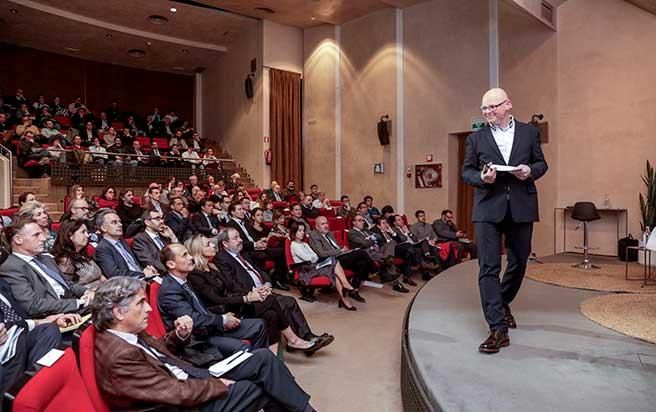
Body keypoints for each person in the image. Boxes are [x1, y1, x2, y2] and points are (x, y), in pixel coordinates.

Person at [91, 276, 317, 412]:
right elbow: (173, 392)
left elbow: (156, 354)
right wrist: (218, 384)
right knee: (260, 387)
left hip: (191, 375)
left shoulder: (125, 333)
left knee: (264, 359)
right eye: (141, 303)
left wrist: (178, 336)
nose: (149, 308)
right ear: (118, 312)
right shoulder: (118, 355)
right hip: (183, 403)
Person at [462, 87, 548, 354]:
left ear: (508, 104)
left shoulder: (529, 132)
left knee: (519, 260)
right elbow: (467, 171)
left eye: (492, 107)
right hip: (488, 208)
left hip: (521, 205)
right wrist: (482, 178)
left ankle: (502, 301)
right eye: (484, 109)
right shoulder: (476, 139)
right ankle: (498, 328)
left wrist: (529, 171)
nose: (488, 112)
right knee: (488, 266)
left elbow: (541, 163)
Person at [186, 235, 321, 354]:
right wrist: (247, 298)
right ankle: (293, 340)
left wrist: (253, 292)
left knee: (272, 315)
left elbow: (232, 287)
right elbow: (216, 299)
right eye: (208, 244)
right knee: (271, 300)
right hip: (226, 312)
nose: (212, 245)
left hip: (235, 303)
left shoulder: (212, 267)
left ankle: (274, 357)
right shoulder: (195, 274)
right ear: (198, 250)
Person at [214, 229, 333, 347]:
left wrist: (267, 284)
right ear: (225, 243)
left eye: (239, 236)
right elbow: (232, 284)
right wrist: (254, 291)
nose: (240, 240)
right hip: (250, 297)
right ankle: (295, 341)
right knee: (282, 303)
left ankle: (306, 337)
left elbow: (259, 271)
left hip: (263, 290)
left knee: (289, 301)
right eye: (235, 238)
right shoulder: (222, 258)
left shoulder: (243, 253)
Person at [158, 244, 269, 357]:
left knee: (259, 325)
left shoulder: (184, 281)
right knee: (242, 347)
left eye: (189, 253)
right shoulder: (170, 290)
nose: (191, 257)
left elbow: (201, 309)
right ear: (171, 264)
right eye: (184, 255)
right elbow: (192, 319)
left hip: (209, 328)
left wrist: (221, 319)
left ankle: (259, 363)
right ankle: (253, 365)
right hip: (197, 339)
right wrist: (222, 320)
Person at [0, 220, 93, 318]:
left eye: (42, 234)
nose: (43, 238)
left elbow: (66, 283)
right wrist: (78, 303)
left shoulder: (46, 258)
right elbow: (33, 305)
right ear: (18, 240)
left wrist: (87, 292)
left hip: (77, 306)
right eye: (36, 235)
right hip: (55, 317)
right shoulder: (11, 267)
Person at [0, 278, 79, 392]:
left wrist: (48, 320)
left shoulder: (3, 285)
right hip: (5, 354)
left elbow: (18, 321)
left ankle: (37, 388)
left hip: (17, 337)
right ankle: (18, 397)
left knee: (48, 330)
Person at [308, 216, 378, 303]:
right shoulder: (314, 235)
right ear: (317, 227)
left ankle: (354, 290)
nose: (326, 225)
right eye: (322, 224)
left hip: (340, 256)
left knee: (362, 263)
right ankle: (376, 270)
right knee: (361, 252)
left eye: (326, 223)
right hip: (330, 260)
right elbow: (321, 253)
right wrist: (340, 251)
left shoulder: (329, 233)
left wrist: (344, 250)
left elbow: (336, 245)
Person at [289, 222, 357, 310]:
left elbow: (315, 256)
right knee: (333, 263)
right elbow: (308, 258)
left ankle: (344, 297)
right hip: (306, 271)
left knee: (334, 265)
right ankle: (346, 288)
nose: (302, 232)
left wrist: (312, 258)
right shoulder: (294, 245)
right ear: (294, 232)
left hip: (314, 266)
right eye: (299, 231)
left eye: (303, 230)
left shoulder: (305, 244)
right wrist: (312, 258)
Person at [226, 204, 290, 291]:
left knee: (281, 251)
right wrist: (255, 245)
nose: (242, 211)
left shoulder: (245, 222)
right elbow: (239, 243)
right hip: (246, 250)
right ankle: (262, 283)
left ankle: (277, 279)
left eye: (242, 209)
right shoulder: (231, 225)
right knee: (261, 256)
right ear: (232, 212)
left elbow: (252, 237)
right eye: (239, 209)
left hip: (256, 246)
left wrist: (260, 241)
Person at [347, 214, 406, 293]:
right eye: (359, 220)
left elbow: (378, 236)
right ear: (354, 222)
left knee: (391, 243)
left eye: (363, 220)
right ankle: (396, 282)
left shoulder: (365, 230)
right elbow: (364, 244)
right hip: (367, 253)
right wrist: (371, 239)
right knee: (386, 258)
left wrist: (369, 238)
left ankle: (388, 259)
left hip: (376, 250)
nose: (362, 222)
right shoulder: (352, 232)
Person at [94, 210, 159, 279]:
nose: (120, 225)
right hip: (128, 284)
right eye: (114, 222)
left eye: (120, 222)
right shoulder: (102, 248)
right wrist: (143, 274)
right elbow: (115, 274)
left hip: (142, 277)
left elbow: (135, 263)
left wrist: (148, 269)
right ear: (104, 228)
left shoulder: (121, 241)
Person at [51, 219, 105, 290]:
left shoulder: (82, 254)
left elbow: (101, 276)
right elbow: (69, 289)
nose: (87, 235)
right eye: (83, 232)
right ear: (70, 235)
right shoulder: (65, 261)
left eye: (87, 232)